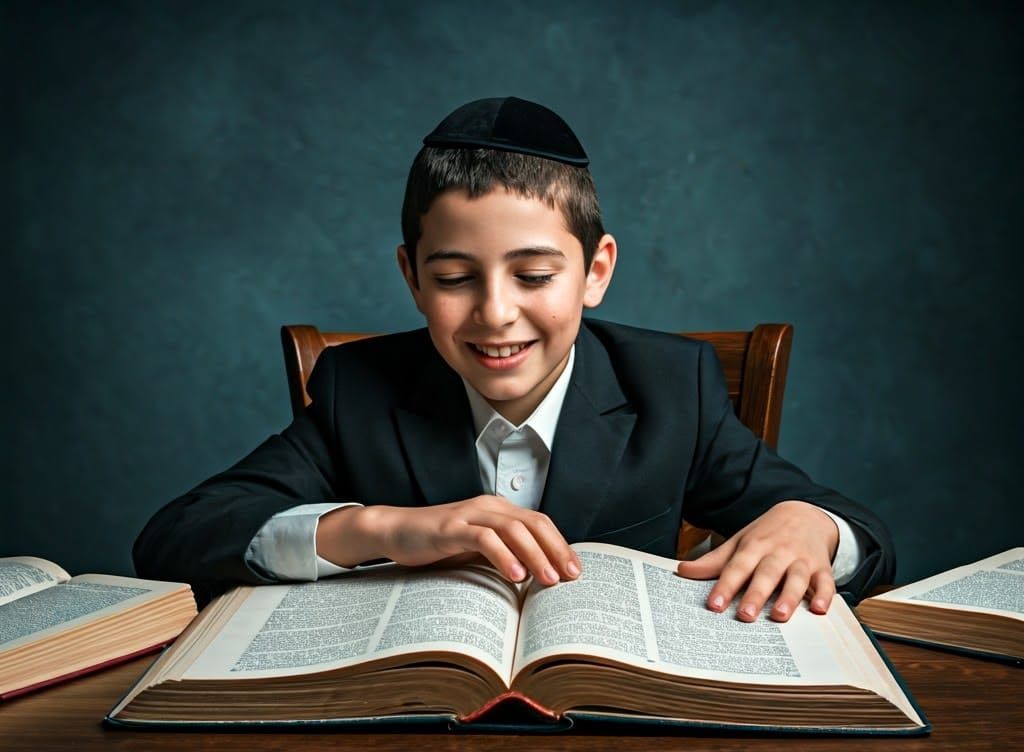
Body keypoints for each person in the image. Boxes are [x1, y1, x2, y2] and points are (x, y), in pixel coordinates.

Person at [133, 96, 895, 615]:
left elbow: (862, 534)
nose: (496, 313)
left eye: (533, 276)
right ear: (412, 277)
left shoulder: (675, 386)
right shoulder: (356, 390)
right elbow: (175, 538)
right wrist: (383, 530)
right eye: (455, 278)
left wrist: (811, 525)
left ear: (595, 272)